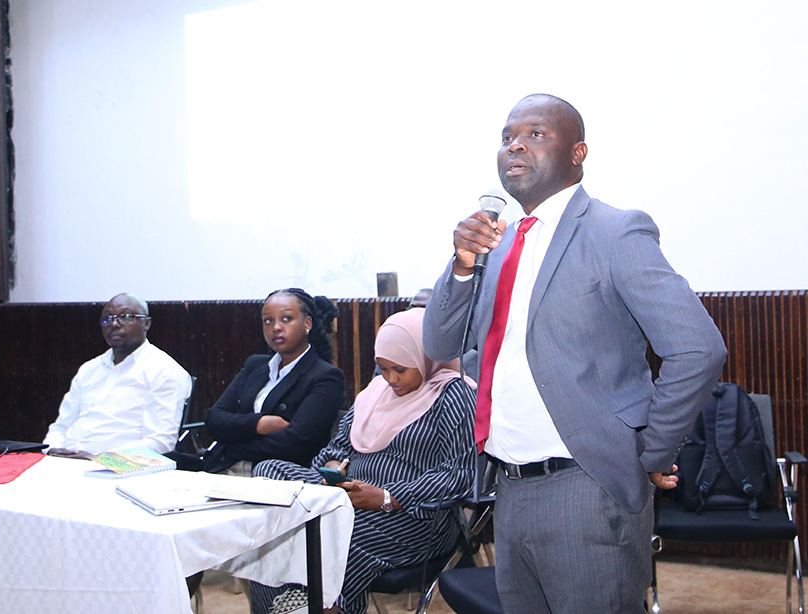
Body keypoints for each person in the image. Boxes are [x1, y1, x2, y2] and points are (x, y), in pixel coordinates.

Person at [423, 94, 727, 613]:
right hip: (508, 488)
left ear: (578, 152)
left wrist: (649, 451)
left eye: (536, 133)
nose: (515, 144)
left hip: (587, 488)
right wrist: (461, 266)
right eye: (507, 136)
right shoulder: (495, 245)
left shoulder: (615, 231)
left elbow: (697, 349)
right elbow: (439, 346)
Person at [250, 307, 477, 614]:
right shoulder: (376, 392)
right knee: (268, 472)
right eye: (383, 368)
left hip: (414, 519)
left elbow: (459, 474)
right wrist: (332, 468)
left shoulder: (454, 394)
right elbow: (339, 446)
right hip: (348, 499)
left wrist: (386, 496)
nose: (391, 379)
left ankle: (311, 606)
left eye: (400, 369)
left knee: (325, 536)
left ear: (426, 359)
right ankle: (281, 606)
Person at [195, 288, 345, 475]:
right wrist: (259, 424)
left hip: (275, 476)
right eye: (268, 320)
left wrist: (231, 444)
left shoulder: (325, 376)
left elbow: (296, 443)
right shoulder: (255, 366)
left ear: (307, 324)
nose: (276, 327)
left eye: (286, 319)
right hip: (223, 467)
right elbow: (214, 419)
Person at [43, 293, 192, 457]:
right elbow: (61, 427)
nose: (114, 324)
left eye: (126, 317)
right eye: (107, 319)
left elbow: (161, 442)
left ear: (146, 323)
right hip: (65, 462)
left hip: (119, 469)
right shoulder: (89, 369)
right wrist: (51, 449)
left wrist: (99, 458)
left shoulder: (164, 370)